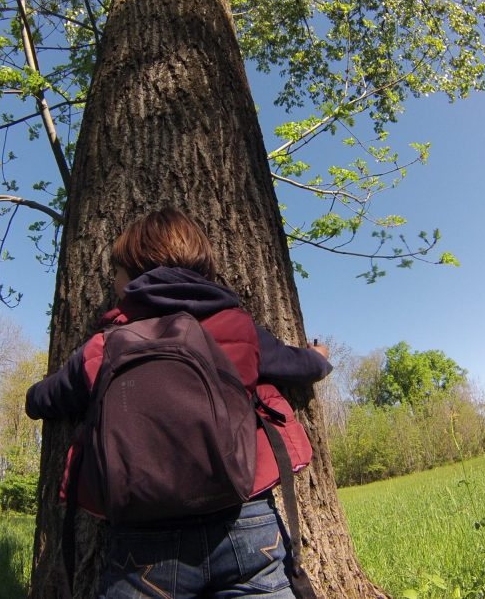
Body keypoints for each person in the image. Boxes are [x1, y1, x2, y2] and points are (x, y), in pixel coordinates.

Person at [26, 207, 331, 598]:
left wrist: (31, 397)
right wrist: (319, 358)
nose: (114, 281)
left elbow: (50, 397)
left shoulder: (107, 344)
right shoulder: (236, 326)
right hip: (244, 515)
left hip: (142, 538)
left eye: (117, 272)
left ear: (133, 276)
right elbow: (296, 365)